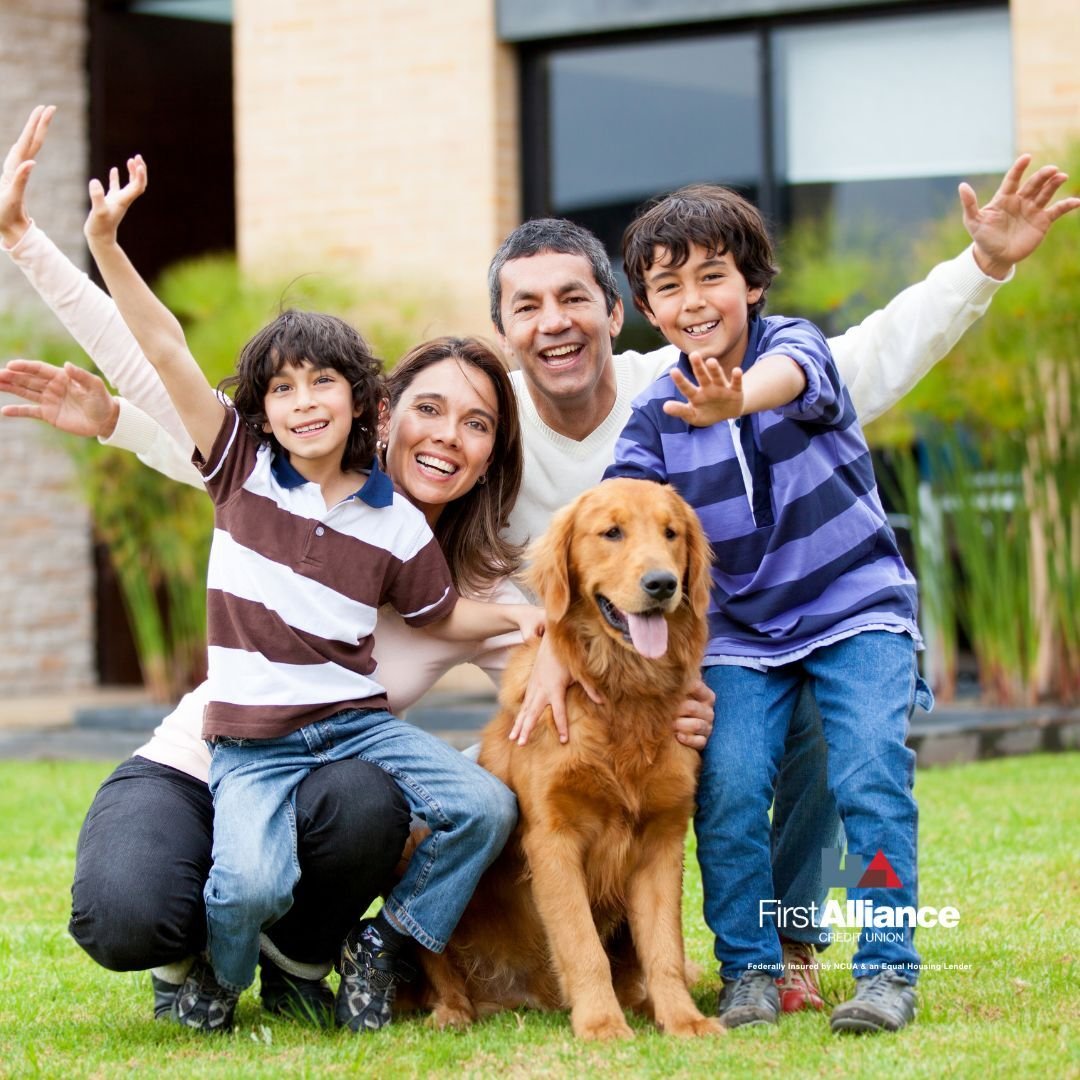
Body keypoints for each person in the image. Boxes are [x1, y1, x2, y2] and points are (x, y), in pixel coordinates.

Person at [5, 103, 1077, 1018]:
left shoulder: (661, 404)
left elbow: (856, 363)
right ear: (490, 342)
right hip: (216, 753)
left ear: (620, 314)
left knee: (771, 721)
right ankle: (225, 947)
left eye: (575, 299)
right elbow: (177, 399)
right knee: (138, 906)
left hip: (352, 762)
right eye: (525, 308)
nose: (451, 437)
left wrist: (981, 265)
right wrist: (42, 264)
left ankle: (782, 950)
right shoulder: (360, 468)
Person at [80, 153, 547, 1035]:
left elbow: (439, 616)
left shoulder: (396, 522)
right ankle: (215, 979)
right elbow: (166, 351)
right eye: (281, 389)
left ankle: (390, 942)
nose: (302, 402)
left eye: (321, 382)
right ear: (259, 410)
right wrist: (106, 244)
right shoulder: (239, 473)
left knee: (485, 805)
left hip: (354, 728)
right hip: (252, 740)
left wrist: (528, 617)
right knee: (248, 880)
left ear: (365, 401)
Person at [606, 183, 932, 1033]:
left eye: (712, 277)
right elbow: (619, 515)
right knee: (731, 787)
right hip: (742, 633)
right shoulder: (651, 415)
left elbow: (790, 379)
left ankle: (888, 968)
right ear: (647, 307)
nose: (693, 301)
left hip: (855, 604)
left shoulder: (794, 347)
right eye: (669, 287)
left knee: (868, 772)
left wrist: (736, 398)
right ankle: (749, 967)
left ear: (751, 284)